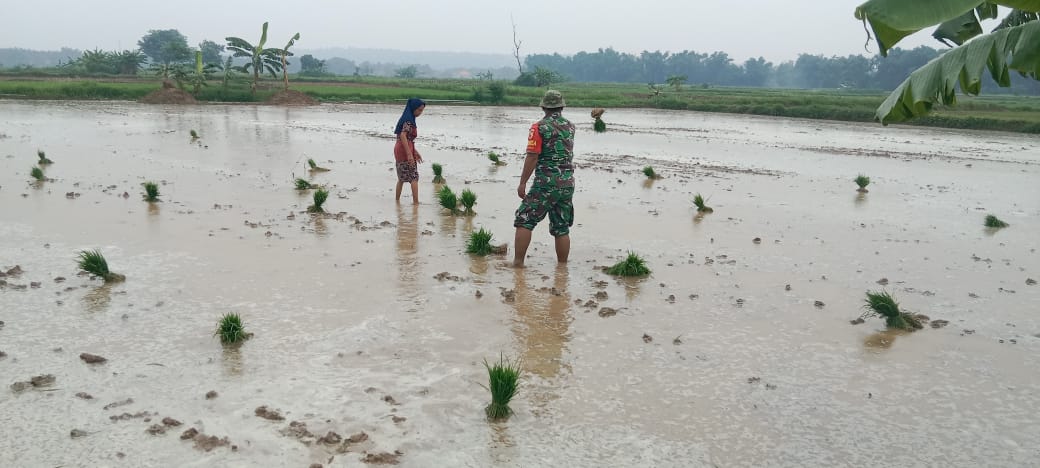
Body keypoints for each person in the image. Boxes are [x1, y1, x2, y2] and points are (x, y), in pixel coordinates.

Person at [513, 90, 575, 267]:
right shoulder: (571, 126)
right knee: (561, 226)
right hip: (567, 182)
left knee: (524, 218)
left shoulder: (538, 127)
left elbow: (532, 156)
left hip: (546, 183)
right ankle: (562, 268)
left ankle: (518, 265)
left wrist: (522, 182)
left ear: (543, 107)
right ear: (562, 106)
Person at [393, 98, 426, 204]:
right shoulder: (408, 121)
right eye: (419, 110)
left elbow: (406, 138)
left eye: (422, 110)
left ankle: (397, 202)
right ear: (413, 108)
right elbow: (403, 135)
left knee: (401, 178)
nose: (420, 113)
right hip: (404, 149)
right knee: (414, 177)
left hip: (400, 148)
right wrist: (409, 154)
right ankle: (416, 203)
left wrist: (414, 152)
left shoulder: (406, 118)